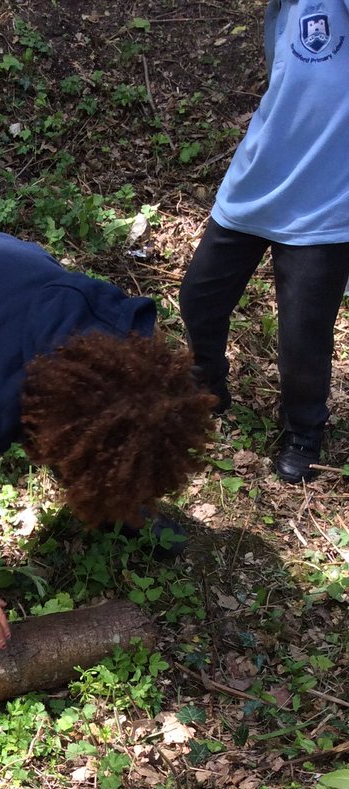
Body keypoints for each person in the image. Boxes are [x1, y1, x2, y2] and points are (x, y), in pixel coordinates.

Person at [0, 232, 214, 654]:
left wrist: (120, 488)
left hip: (14, 266)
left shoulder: (126, 351)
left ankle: (115, 510)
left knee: (103, 448)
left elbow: (113, 431)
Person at [179, 0, 349, 484]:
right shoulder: (283, 9)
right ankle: (208, 384)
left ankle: (304, 431)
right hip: (257, 184)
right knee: (199, 297)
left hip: (326, 202)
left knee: (303, 337)